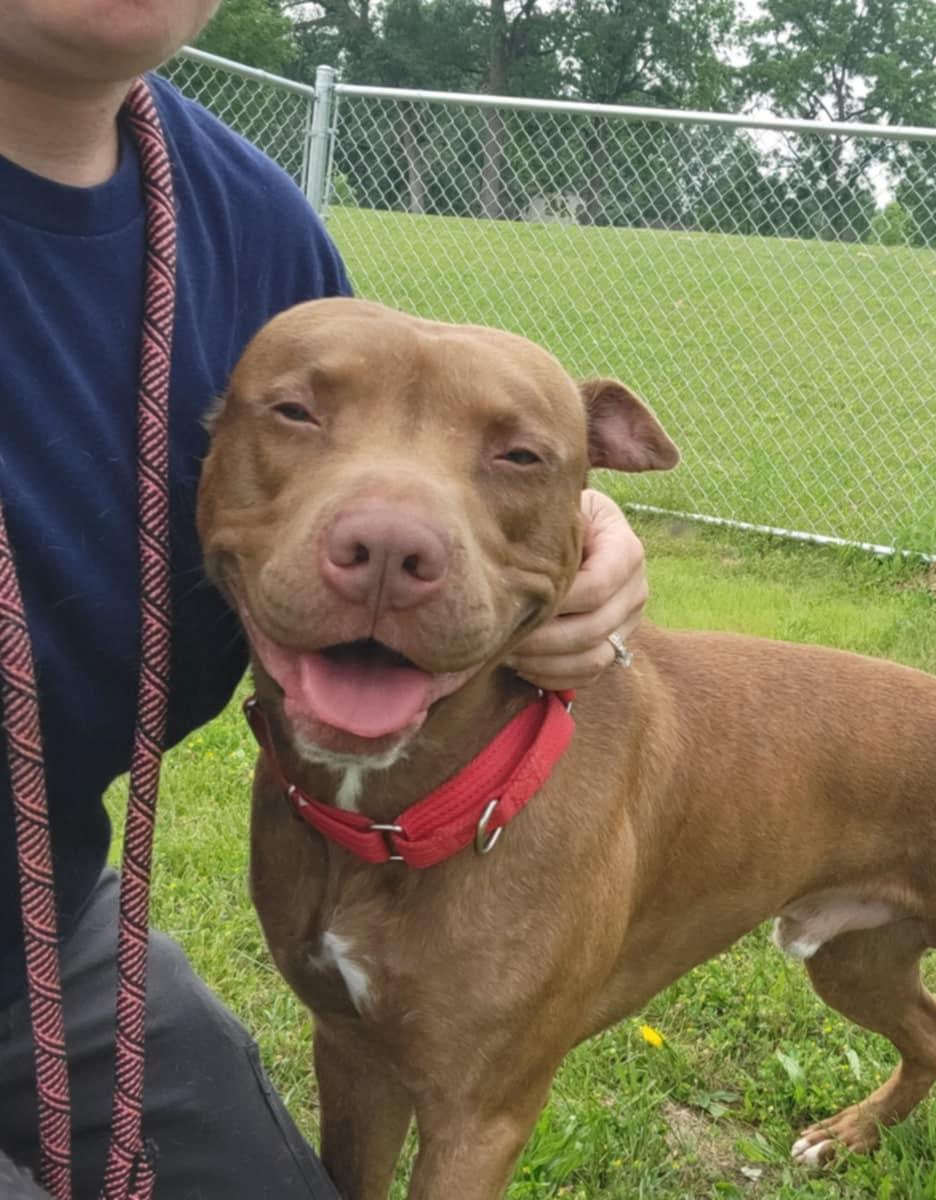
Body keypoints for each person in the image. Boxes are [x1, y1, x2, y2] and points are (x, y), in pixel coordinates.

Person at [0, 2, 648, 1194]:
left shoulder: (244, 226)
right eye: (293, 412)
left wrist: (573, 532)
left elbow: (404, 428)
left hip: (28, 936)